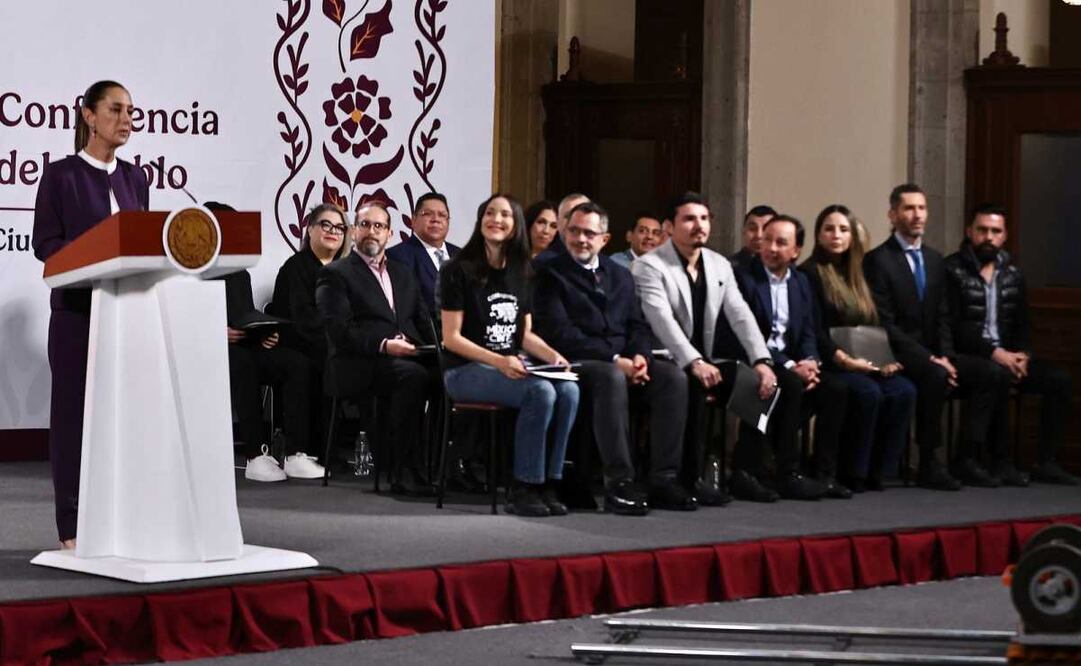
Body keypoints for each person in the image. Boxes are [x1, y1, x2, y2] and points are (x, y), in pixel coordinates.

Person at [32, 80, 150, 549]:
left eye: (131, 112)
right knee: (72, 421)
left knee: (123, 421)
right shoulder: (61, 176)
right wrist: (95, 256)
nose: (126, 120)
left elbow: (142, 244)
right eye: (116, 110)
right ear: (88, 115)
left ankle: (122, 518)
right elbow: (47, 245)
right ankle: (72, 526)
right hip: (78, 316)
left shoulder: (137, 178)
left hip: (127, 317)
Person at [533, 201, 695, 515]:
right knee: (611, 376)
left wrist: (640, 358)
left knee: (672, 377)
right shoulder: (548, 272)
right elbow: (559, 333)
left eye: (589, 234)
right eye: (575, 231)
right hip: (574, 361)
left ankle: (664, 479)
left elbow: (637, 324)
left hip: (622, 359)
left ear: (604, 240)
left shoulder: (620, 275)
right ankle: (619, 483)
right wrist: (616, 358)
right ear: (565, 232)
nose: (581, 239)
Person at [632, 192, 788, 505]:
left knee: (760, 382)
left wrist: (761, 360)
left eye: (703, 218)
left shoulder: (719, 265)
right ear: (669, 226)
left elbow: (740, 314)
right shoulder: (650, 266)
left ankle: (744, 472)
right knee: (688, 382)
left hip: (708, 359)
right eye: (689, 219)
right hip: (665, 358)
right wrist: (694, 361)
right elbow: (662, 322)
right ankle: (671, 479)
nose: (698, 225)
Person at [864, 183, 1012, 489]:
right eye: (909, 208)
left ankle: (967, 457)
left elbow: (944, 315)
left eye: (921, 208)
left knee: (990, 373)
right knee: (935, 377)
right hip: (899, 352)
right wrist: (932, 359)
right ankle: (930, 462)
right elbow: (885, 323)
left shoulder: (934, 259)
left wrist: (947, 356)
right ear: (893, 215)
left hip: (936, 352)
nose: (917, 215)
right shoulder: (879, 260)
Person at [440, 193, 580, 517]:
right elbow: (452, 338)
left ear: (515, 225)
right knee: (540, 391)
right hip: (465, 371)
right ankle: (522, 486)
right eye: (490, 213)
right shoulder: (457, 270)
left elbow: (524, 335)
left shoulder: (523, 272)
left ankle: (549, 481)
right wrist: (500, 361)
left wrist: (553, 356)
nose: (496, 220)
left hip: (507, 367)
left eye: (505, 215)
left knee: (569, 390)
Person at [944, 204, 1078, 485]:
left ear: (1004, 236)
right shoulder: (952, 270)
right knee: (995, 374)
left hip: (1006, 356)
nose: (988, 237)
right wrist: (996, 354)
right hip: (967, 356)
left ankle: (1046, 461)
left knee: (1059, 380)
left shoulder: (1013, 274)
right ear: (970, 232)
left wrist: (1024, 355)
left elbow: (1023, 324)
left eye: (995, 231)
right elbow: (956, 327)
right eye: (982, 230)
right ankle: (973, 459)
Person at [316, 203, 438, 495]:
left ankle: (439, 467)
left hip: (405, 356)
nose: (372, 231)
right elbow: (340, 331)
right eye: (365, 225)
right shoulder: (336, 273)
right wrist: (384, 346)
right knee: (411, 376)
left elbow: (423, 319)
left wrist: (439, 346)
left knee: (447, 374)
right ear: (355, 231)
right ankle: (400, 470)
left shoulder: (403, 273)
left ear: (390, 233)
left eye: (379, 226)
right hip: (357, 362)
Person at [727, 215, 848, 499]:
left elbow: (809, 330)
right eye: (767, 240)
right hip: (754, 357)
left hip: (791, 362)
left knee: (836, 389)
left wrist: (811, 361)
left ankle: (823, 473)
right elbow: (749, 334)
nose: (771, 247)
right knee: (790, 385)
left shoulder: (802, 282)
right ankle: (783, 472)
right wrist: (791, 365)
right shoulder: (744, 278)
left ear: (796, 250)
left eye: (781, 243)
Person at [801, 205, 916, 492]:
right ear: (818, 235)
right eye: (829, 229)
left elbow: (872, 324)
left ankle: (878, 469)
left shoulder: (860, 273)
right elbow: (815, 330)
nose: (836, 235)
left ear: (853, 235)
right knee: (867, 392)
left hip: (865, 357)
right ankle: (850, 470)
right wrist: (846, 361)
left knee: (903, 390)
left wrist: (883, 361)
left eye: (843, 229)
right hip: (831, 359)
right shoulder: (810, 273)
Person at [217, 263, 316, 482]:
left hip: (244, 346)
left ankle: (294, 454)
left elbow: (244, 319)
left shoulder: (239, 274)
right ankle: (255, 455)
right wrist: (213, 329)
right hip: (209, 347)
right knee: (244, 363)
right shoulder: (188, 274)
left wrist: (263, 334)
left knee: (295, 363)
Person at [386, 192, 460, 314]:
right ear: (413, 220)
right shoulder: (396, 256)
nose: (436, 219)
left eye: (442, 215)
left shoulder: (461, 255)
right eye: (427, 214)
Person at [534, 192, 590, 263]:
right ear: (558, 221)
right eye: (567, 216)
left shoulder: (604, 264)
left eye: (581, 215)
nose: (574, 221)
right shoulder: (545, 263)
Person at [729, 204, 776, 269]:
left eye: (765, 229)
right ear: (743, 231)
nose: (759, 235)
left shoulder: (786, 269)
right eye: (752, 229)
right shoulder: (727, 267)